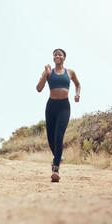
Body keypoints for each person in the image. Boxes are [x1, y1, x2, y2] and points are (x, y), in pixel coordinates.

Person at [36, 49, 81, 182]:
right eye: (55, 54)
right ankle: (58, 156)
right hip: (51, 106)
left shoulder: (70, 72)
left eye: (60, 55)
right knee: (50, 139)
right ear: (53, 58)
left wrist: (77, 94)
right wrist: (44, 73)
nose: (57, 56)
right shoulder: (48, 72)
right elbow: (39, 88)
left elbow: (77, 84)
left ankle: (55, 168)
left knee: (59, 136)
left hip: (64, 107)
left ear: (64, 58)